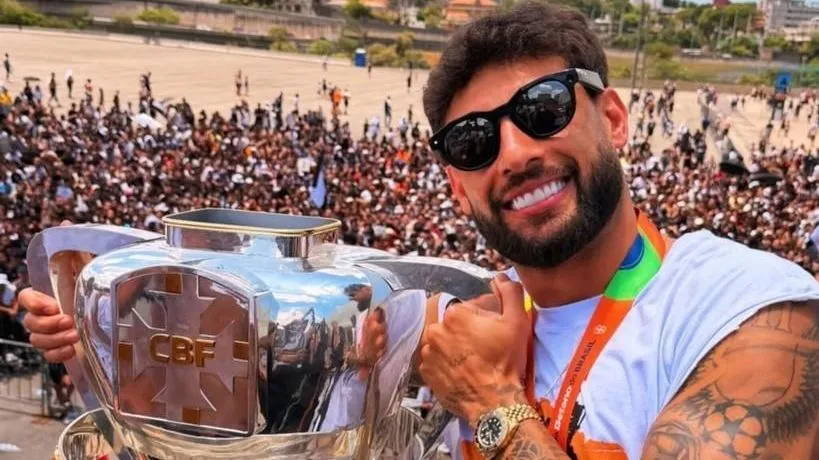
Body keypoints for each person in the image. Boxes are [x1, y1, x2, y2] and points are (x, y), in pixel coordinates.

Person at [16, 7, 819, 459]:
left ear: (611, 117)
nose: (513, 152)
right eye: (473, 142)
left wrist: (490, 403)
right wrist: (113, 348)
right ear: (455, 182)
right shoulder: (443, 322)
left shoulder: (744, 308)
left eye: (542, 110)